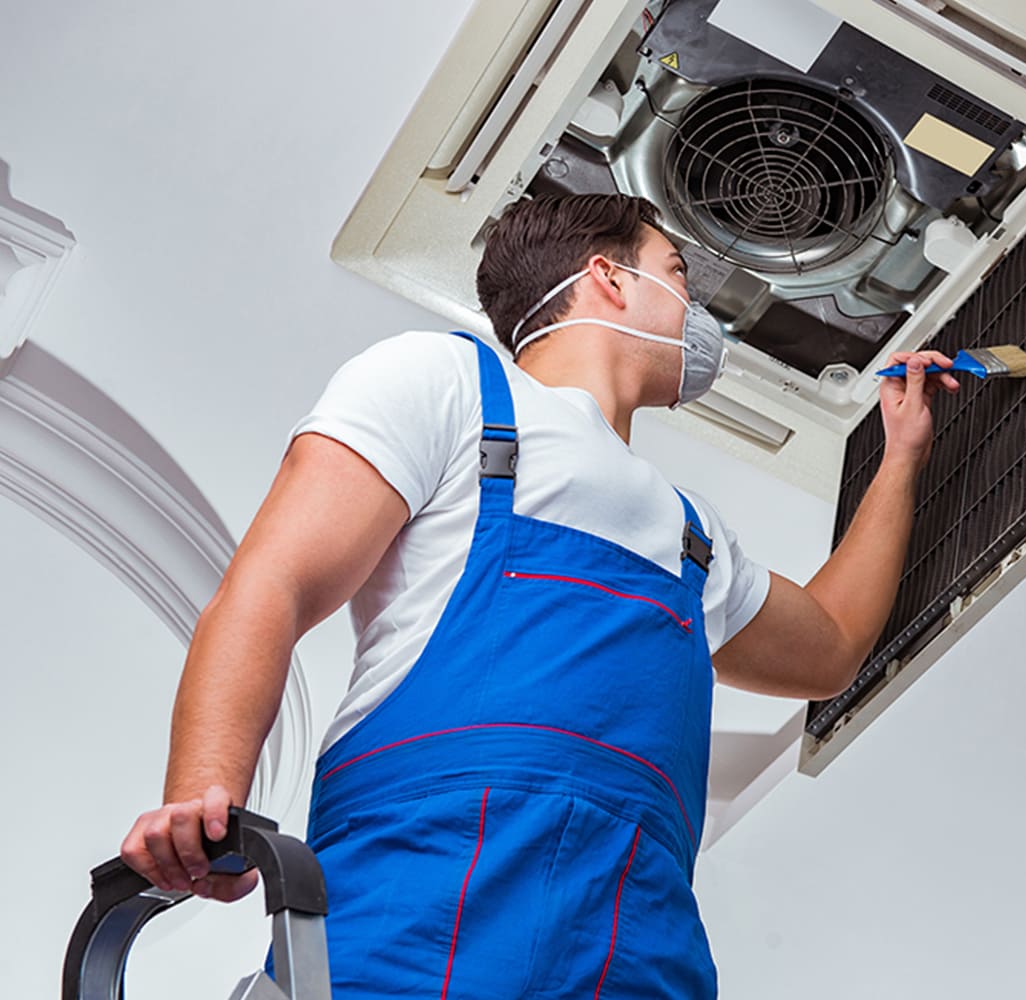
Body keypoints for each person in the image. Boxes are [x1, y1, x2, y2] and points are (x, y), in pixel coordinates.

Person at [120, 193, 961, 998]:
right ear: (608, 278)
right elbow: (274, 583)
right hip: (421, 907)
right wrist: (207, 802)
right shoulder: (450, 381)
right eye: (677, 272)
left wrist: (899, 458)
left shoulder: (694, 535)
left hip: (636, 943)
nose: (697, 317)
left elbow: (833, 645)